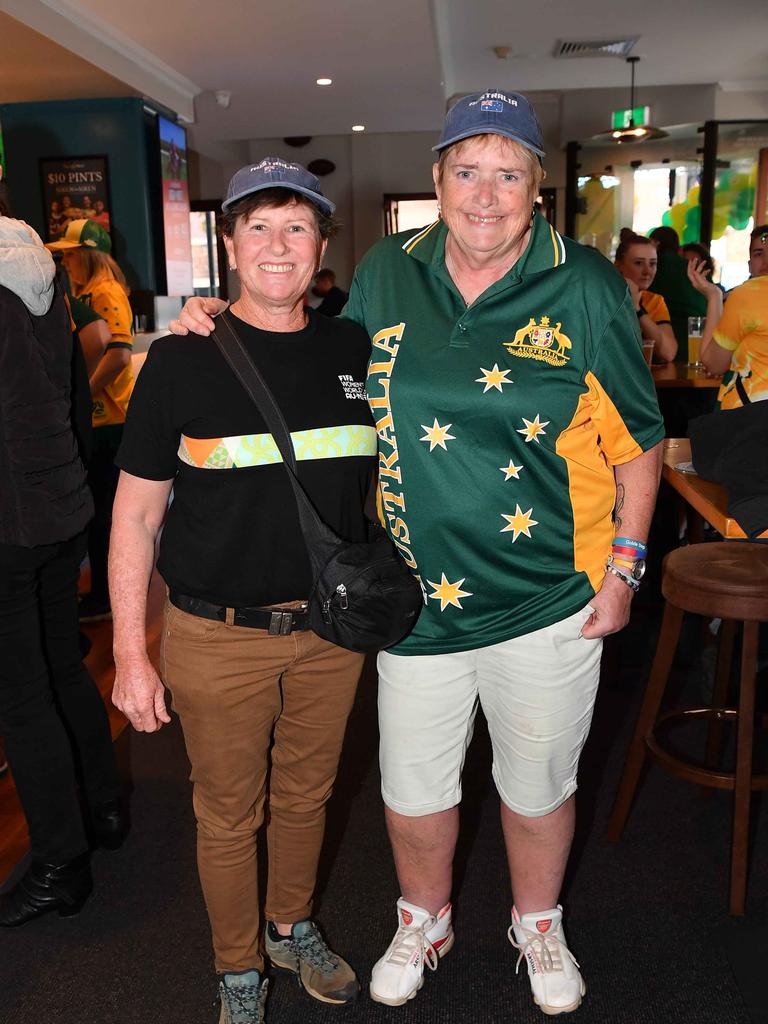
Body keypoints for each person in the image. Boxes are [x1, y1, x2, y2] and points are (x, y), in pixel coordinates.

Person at [173, 92, 665, 1017]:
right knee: (412, 789)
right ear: (437, 179)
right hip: (411, 604)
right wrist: (217, 319)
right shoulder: (388, 271)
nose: (487, 194)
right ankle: (423, 917)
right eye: (467, 171)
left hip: (550, 595)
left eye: (509, 173)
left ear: (537, 190)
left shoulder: (587, 283)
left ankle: (538, 923)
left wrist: (627, 565)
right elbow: (320, 362)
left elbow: (639, 442)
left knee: (537, 785)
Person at [111, 159, 376, 1024]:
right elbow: (136, 520)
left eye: (296, 227)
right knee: (229, 816)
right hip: (215, 637)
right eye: (258, 226)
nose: (277, 245)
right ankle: (236, 971)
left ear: (322, 247)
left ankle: (291, 926)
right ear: (228, 245)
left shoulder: (353, 347)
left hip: (330, 634)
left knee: (308, 797)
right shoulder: (181, 359)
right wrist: (129, 655)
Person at [0, 213, 125, 928]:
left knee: (21, 696)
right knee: (61, 667)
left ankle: (59, 864)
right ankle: (104, 812)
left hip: (10, 522)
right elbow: (75, 401)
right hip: (54, 509)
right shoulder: (39, 279)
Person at [47, 219, 134, 622]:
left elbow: (117, 354)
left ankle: (104, 596)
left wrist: (83, 396)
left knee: (103, 516)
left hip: (110, 423)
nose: (64, 260)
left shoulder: (104, 292)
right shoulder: (89, 292)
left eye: (69, 252)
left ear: (86, 253)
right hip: (102, 422)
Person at [687, 224, 768, 407]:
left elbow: (713, 364)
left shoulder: (746, 295)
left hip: (750, 419)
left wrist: (713, 296)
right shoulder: (741, 296)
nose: (766, 259)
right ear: (749, 264)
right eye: (758, 253)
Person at [614, 231, 677, 362]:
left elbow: (668, 353)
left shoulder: (655, 301)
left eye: (652, 263)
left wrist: (637, 309)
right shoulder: (603, 297)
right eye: (638, 263)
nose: (647, 271)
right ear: (618, 265)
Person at [648, 226, 707, 361]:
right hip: (699, 351)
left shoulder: (649, 272)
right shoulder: (696, 272)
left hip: (658, 351)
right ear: (679, 250)